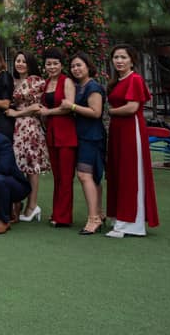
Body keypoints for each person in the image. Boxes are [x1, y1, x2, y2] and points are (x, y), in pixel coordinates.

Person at [105, 44, 159, 238]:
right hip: (117, 130)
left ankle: (130, 223)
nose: (119, 61)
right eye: (116, 57)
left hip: (131, 129)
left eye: (123, 57)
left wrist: (110, 111)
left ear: (132, 60)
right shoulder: (117, 81)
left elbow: (132, 107)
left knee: (130, 173)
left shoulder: (135, 79)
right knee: (117, 172)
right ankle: (119, 218)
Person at [4, 51, 50, 223]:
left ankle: (32, 205)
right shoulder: (13, 81)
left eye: (24, 61)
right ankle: (16, 205)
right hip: (15, 127)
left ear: (30, 63)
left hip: (29, 126)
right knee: (18, 165)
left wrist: (17, 113)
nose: (20, 64)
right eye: (18, 60)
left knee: (31, 167)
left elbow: (38, 107)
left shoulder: (36, 81)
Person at [38, 47, 77, 227]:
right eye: (49, 64)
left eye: (55, 63)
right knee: (57, 177)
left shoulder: (66, 81)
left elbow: (68, 107)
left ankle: (64, 217)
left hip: (66, 132)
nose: (52, 67)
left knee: (66, 177)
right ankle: (57, 213)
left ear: (61, 65)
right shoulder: (46, 83)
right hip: (52, 133)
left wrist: (48, 112)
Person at [71, 51, 107, 236]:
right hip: (82, 135)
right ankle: (99, 213)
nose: (76, 69)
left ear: (88, 66)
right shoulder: (79, 87)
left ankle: (93, 219)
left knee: (85, 175)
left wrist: (71, 106)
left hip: (91, 137)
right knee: (92, 176)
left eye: (79, 65)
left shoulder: (93, 87)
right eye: (73, 66)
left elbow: (96, 112)